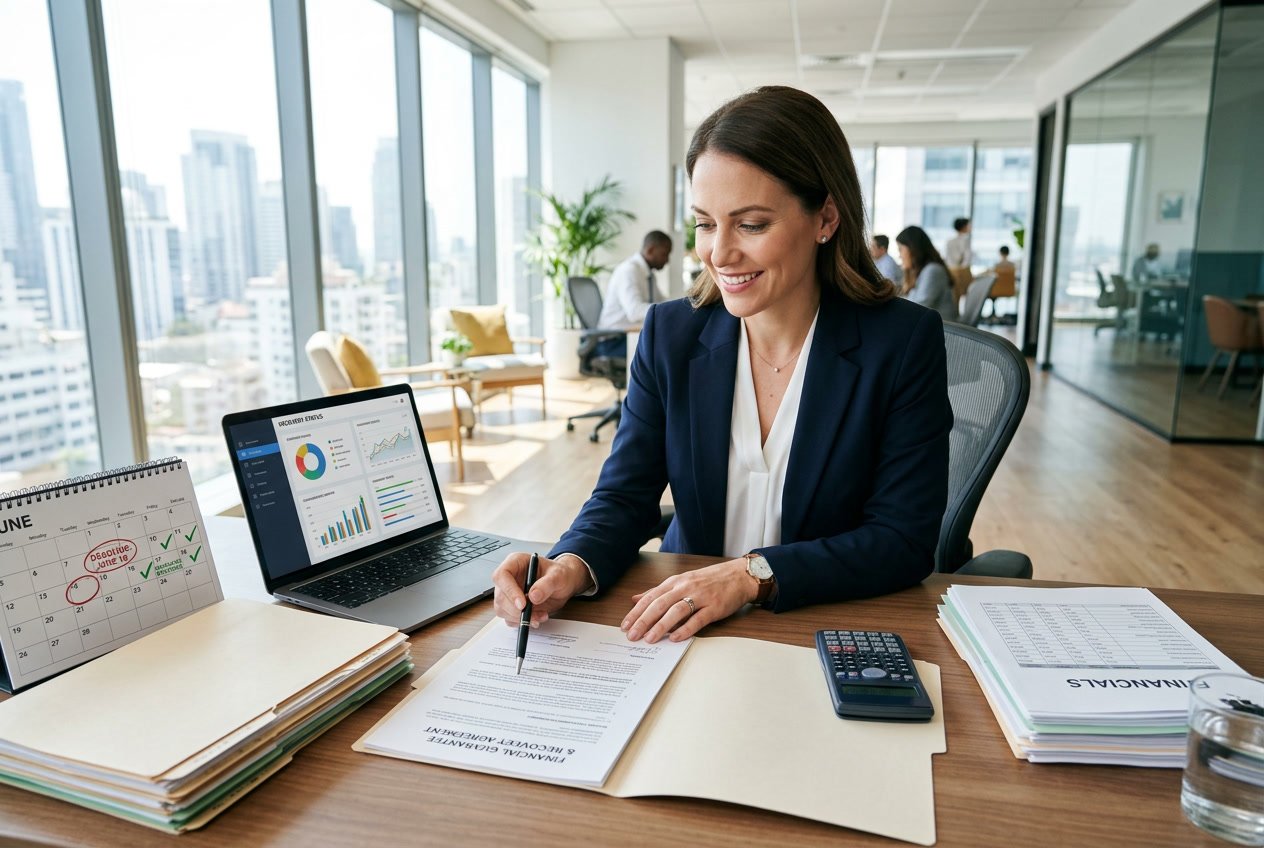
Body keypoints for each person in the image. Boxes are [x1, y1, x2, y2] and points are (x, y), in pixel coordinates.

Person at [491, 86, 952, 645]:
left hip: (821, 626)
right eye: (705, 223)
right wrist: (570, 563)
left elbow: (902, 539)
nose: (718, 252)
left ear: (825, 218)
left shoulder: (901, 343)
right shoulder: (671, 334)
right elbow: (624, 495)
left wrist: (750, 576)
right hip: (683, 629)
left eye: (751, 224)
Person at [593, 231, 672, 356]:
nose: (667, 260)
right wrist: (669, 312)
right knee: (667, 350)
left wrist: (680, 308)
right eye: (664, 254)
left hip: (630, 337)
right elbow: (635, 312)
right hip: (613, 342)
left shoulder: (648, 274)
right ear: (650, 250)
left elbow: (661, 302)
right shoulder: (629, 271)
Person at [896, 226, 958, 323]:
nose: (899, 256)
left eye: (900, 249)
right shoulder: (923, 271)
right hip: (929, 326)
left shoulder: (933, 271)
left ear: (912, 249)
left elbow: (916, 308)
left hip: (943, 329)